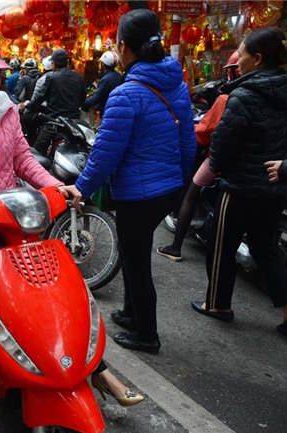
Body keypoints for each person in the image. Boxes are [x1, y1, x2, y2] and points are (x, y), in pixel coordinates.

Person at [0, 32, 144, 407]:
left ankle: (94, 370)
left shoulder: (6, 112)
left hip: (13, 223)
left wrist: (58, 186)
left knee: (49, 297)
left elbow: (23, 160)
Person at [66, 9, 197, 354]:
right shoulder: (178, 86)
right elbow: (188, 145)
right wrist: (179, 183)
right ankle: (130, 311)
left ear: (123, 48)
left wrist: (81, 187)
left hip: (138, 195)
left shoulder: (126, 94)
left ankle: (147, 333)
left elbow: (105, 154)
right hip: (166, 190)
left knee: (137, 264)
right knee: (132, 251)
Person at [191, 27, 287, 337]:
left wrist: (217, 166)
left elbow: (224, 143)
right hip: (276, 185)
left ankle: (217, 304)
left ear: (257, 59)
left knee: (222, 245)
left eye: (242, 53)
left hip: (241, 186)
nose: (239, 59)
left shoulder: (244, 95)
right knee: (266, 248)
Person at [156, 51, 240, 262]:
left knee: (191, 194)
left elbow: (204, 131)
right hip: (261, 164)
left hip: (222, 160)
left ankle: (176, 247)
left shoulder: (227, 98)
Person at [27, 48, 86, 155]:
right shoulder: (79, 77)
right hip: (75, 123)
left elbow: (40, 98)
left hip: (54, 123)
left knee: (36, 153)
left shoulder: (51, 77)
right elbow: (82, 100)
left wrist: (28, 105)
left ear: (53, 64)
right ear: (67, 62)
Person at [81, 51, 123, 119]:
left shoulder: (106, 79)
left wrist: (80, 102)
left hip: (107, 113)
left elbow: (95, 99)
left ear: (103, 64)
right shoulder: (119, 76)